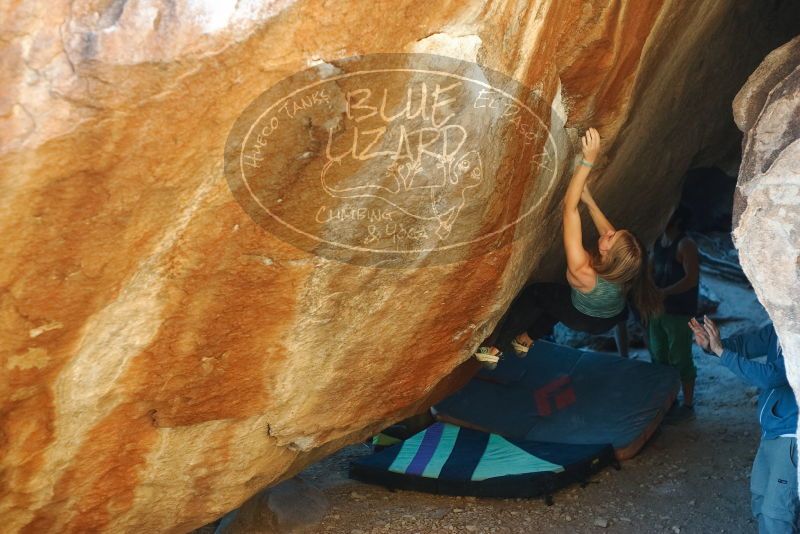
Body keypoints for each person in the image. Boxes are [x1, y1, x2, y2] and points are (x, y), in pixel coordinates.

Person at [475, 128, 662, 367]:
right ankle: (525, 340)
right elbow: (607, 234)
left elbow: (569, 210)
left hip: (583, 318)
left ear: (607, 252)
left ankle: (494, 349)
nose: (609, 231)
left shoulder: (581, 268)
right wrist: (589, 199)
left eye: (612, 236)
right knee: (558, 301)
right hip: (610, 317)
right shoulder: (625, 265)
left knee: (537, 295)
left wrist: (588, 161)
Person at [689, 317, 799, 533]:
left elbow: (769, 377)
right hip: (772, 432)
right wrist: (712, 345)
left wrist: (722, 352)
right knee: (760, 499)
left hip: (792, 437)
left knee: (778, 515)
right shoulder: (778, 330)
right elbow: (746, 344)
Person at [649, 205, 700, 422]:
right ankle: (669, 401)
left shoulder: (685, 244)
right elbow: (650, 270)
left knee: (680, 358)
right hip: (658, 310)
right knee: (658, 355)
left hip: (679, 312)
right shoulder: (658, 242)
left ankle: (688, 405)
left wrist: (663, 292)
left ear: (677, 220)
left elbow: (691, 279)